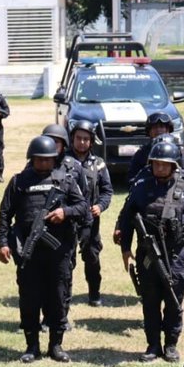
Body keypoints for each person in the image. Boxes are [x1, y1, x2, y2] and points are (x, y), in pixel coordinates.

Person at [0, 135, 87, 363]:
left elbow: (83, 206)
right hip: (29, 253)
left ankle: (56, 345)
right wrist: (2, 243)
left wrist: (65, 212)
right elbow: (5, 213)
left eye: (48, 159)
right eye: (39, 159)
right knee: (29, 299)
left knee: (58, 297)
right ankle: (32, 346)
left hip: (59, 253)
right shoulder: (19, 182)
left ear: (55, 159)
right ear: (32, 158)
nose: (44, 163)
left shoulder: (65, 181)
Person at [115, 138, 184, 363]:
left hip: (176, 257)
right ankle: (153, 345)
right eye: (156, 164)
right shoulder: (140, 188)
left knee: (174, 303)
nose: (160, 168)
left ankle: (171, 344)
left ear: (174, 165)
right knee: (150, 302)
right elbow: (127, 220)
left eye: (165, 164)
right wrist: (125, 249)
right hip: (148, 257)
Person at [68, 120, 113, 306]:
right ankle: (64, 296)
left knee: (92, 257)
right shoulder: (62, 162)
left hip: (90, 220)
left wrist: (100, 206)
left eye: (86, 139)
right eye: (78, 138)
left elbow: (107, 191)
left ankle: (94, 293)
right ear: (72, 139)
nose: (82, 142)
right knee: (66, 260)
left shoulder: (99, 164)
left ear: (91, 142)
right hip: (68, 219)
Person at [128, 112, 176, 181]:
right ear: (149, 132)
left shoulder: (178, 150)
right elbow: (131, 177)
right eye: (155, 127)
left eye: (161, 127)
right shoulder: (142, 152)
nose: (158, 130)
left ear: (168, 130)